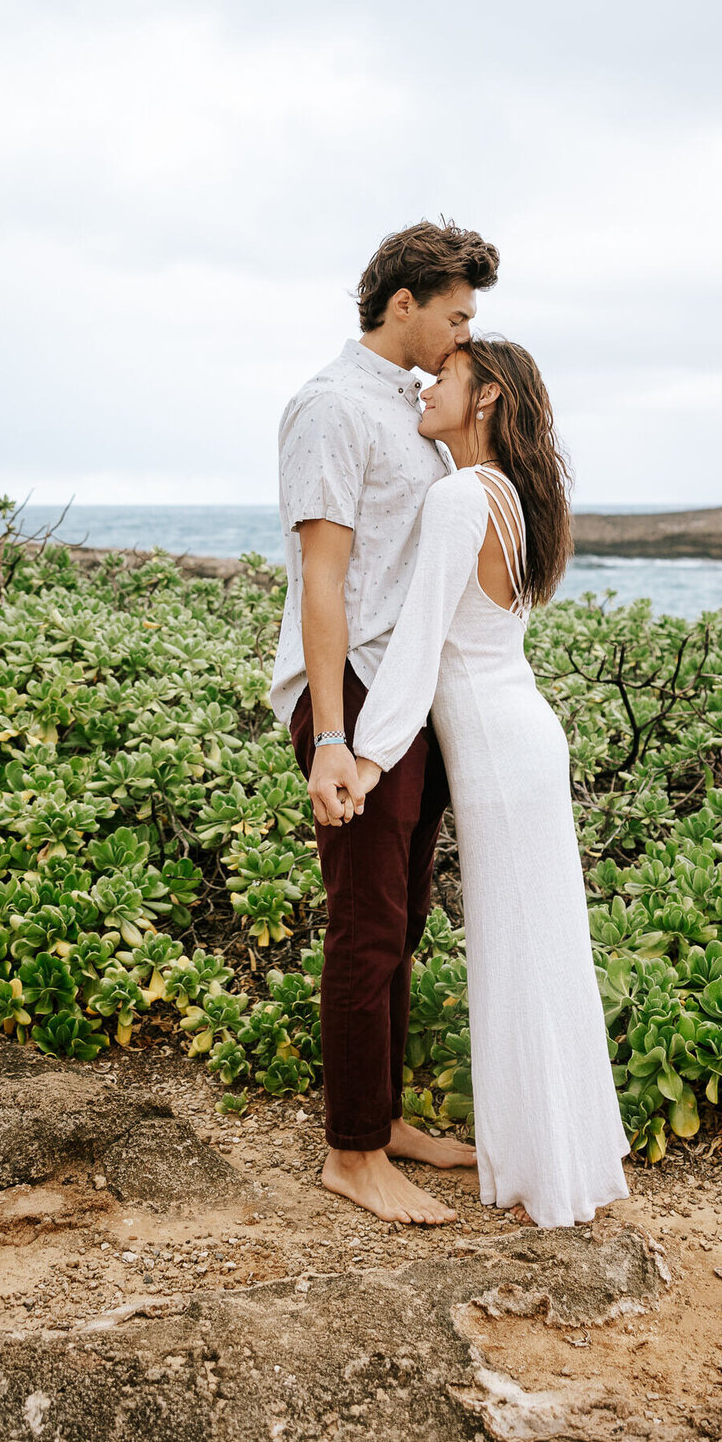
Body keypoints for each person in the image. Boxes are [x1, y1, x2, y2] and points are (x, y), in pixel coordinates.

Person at [351, 338, 630, 1228]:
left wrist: (365, 752)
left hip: (501, 761)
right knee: (547, 950)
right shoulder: (511, 495)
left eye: (449, 375)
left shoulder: (457, 495)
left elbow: (419, 642)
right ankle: (563, 1157)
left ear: (486, 397)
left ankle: (547, 1173)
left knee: (519, 955)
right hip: (528, 739)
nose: (428, 385)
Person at [271, 219, 499, 1225]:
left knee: (400, 918)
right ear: (403, 303)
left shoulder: (408, 410)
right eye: (454, 314)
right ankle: (351, 1152)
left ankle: (384, 1118)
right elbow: (322, 575)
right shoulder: (330, 407)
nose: (462, 335)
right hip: (354, 692)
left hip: (406, 695)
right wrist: (329, 734)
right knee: (366, 923)